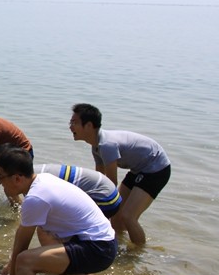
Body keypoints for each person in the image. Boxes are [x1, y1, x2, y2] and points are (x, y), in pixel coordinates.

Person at [0, 148, 117, 275]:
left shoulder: (35, 198)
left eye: (0, 177)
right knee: (43, 231)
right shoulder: (43, 179)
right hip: (103, 242)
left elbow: (22, 242)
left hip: (98, 249)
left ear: (17, 178)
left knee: (25, 261)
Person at [69, 103, 171, 246]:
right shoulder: (96, 146)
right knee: (116, 214)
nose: (70, 127)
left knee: (128, 216)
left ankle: (138, 253)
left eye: (74, 123)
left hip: (156, 168)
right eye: (70, 122)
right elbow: (100, 180)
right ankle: (120, 245)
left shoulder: (106, 145)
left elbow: (110, 183)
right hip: (139, 169)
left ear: (89, 126)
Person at [37, 164, 122, 218]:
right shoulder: (34, 172)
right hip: (111, 193)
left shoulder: (37, 184)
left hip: (106, 200)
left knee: (48, 229)